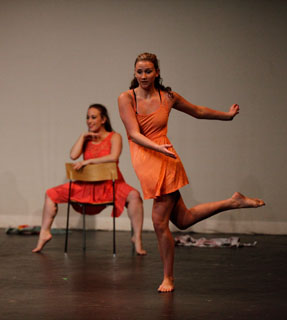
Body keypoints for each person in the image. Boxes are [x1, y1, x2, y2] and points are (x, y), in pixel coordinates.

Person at [118, 52, 265, 292]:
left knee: (158, 222)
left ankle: (168, 278)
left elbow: (197, 111)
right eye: (139, 71)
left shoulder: (168, 97)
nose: (144, 76)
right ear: (134, 74)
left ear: (157, 73)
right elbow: (134, 134)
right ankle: (233, 201)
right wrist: (157, 147)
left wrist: (226, 117)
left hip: (165, 161)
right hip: (151, 156)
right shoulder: (126, 98)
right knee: (183, 220)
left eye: (148, 71)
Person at [32, 104, 146, 255]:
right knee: (50, 194)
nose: (89, 121)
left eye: (93, 117)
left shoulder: (115, 136)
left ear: (103, 119)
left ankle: (136, 238)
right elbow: (73, 156)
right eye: (87, 117)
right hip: (86, 186)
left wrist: (88, 162)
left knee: (135, 196)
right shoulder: (86, 139)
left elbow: (114, 157)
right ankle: (44, 233)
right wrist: (82, 136)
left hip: (110, 185)